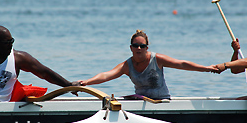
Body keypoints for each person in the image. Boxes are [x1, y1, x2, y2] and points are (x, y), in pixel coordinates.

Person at [79, 30, 218, 99]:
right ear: (131, 48)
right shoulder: (127, 66)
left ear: (147, 47)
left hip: (161, 102)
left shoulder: (157, 59)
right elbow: (105, 75)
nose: (138, 48)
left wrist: (206, 68)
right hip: (140, 102)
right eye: (135, 46)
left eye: (142, 46)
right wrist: (86, 82)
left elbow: (182, 64)